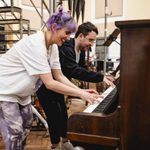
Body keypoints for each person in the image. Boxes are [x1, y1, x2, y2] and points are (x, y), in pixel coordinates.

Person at [0, 7, 101, 150]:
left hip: (21, 95)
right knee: (15, 133)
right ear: (54, 27)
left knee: (26, 127)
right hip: (5, 92)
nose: (68, 37)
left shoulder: (52, 47)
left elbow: (59, 76)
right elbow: (50, 83)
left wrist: (81, 91)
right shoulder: (36, 44)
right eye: (66, 32)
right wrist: (81, 94)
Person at [36, 22, 114, 150]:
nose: (92, 44)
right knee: (53, 115)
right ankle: (55, 145)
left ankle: (65, 142)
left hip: (60, 85)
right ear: (81, 36)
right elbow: (74, 70)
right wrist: (99, 78)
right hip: (46, 86)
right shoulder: (66, 47)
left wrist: (100, 76)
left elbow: (81, 69)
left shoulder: (81, 51)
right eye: (91, 40)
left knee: (62, 115)